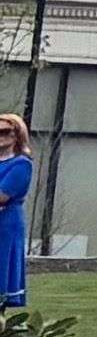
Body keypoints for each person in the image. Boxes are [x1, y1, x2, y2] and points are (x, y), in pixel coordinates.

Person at [0, 112, 37, 308]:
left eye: (5, 131)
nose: (0, 136)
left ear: (17, 134)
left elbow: (3, 196)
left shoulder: (21, 164)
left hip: (5, 225)